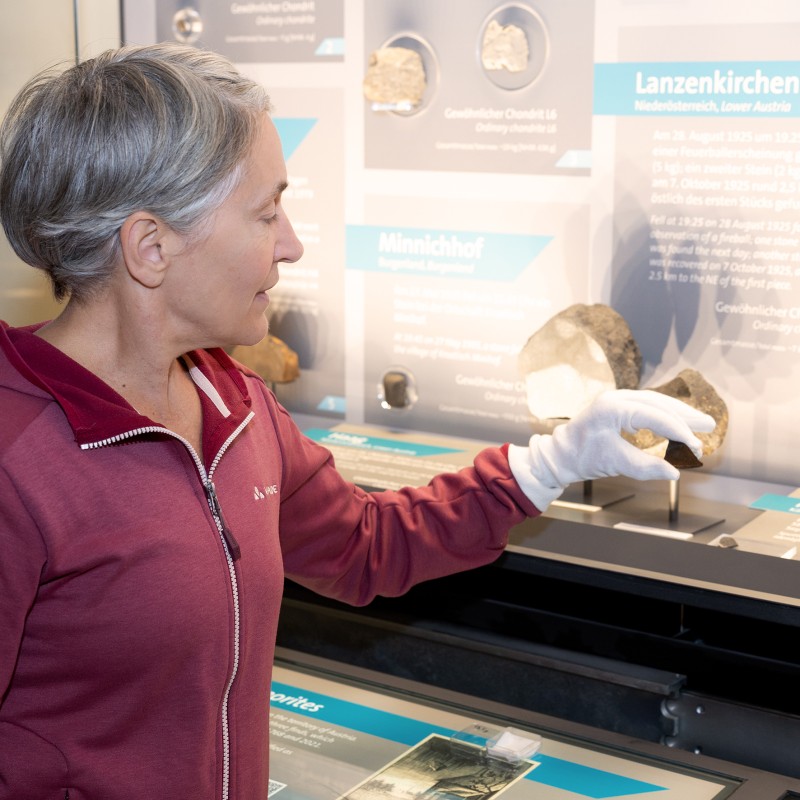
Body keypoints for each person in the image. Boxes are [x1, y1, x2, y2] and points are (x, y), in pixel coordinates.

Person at [0, 43, 714, 799]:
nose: (291, 244)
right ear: (151, 247)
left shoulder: (231, 404)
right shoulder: (20, 463)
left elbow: (363, 547)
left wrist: (550, 463)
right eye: (265, 212)